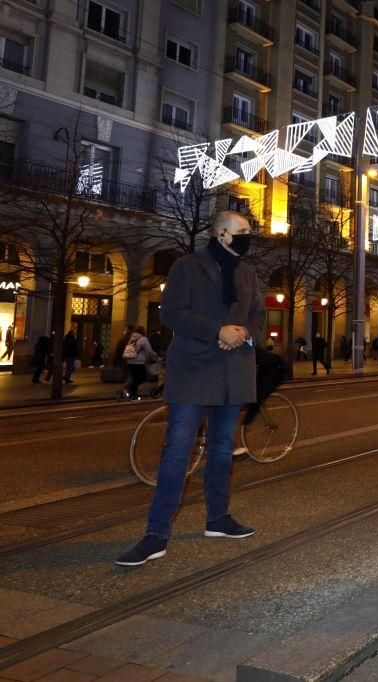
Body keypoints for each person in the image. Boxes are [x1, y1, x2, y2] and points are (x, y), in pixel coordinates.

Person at [116, 211, 263, 567]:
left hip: (232, 371)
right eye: (241, 232)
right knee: (177, 452)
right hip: (195, 371)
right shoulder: (187, 266)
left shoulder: (248, 272)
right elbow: (172, 312)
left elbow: (257, 314)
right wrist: (218, 331)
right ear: (221, 234)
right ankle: (156, 535)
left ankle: (217, 519)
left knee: (223, 450)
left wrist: (242, 333)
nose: (247, 237)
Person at [121, 326, 158, 400]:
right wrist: (156, 356)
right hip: (138, 362)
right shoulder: (143, 339)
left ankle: (133, 394)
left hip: (130, 361)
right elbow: (149, 350)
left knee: (135, 378)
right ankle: (130, 390)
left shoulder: (132, 338)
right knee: (142, 377)